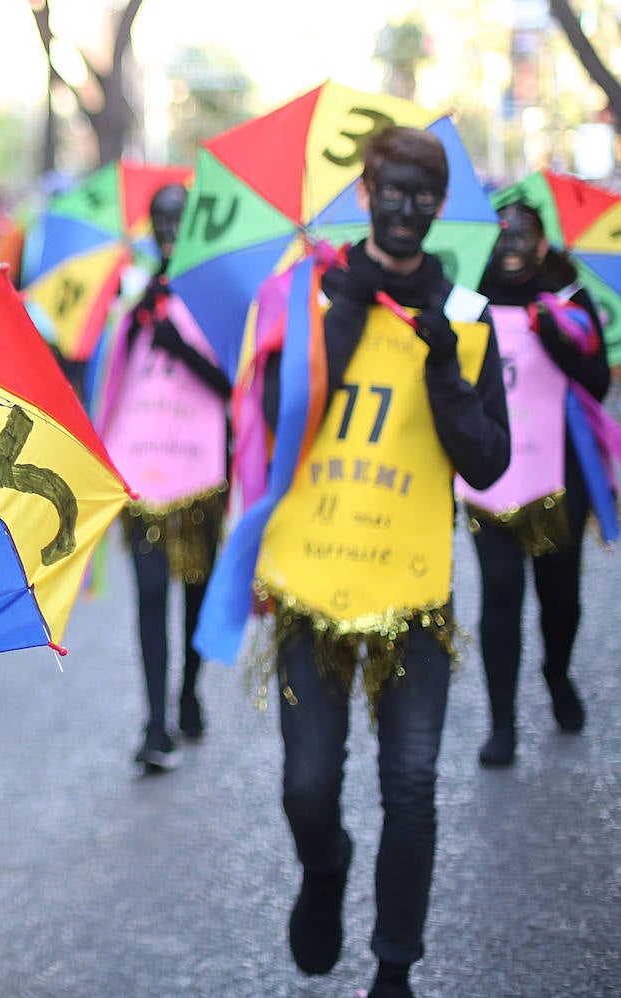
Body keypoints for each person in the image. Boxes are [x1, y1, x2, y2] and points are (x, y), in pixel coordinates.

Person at [198, 127, 509, 998]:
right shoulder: (304, 300)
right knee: (307, 785)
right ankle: (324, 867)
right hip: (310, 582)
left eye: (424, 195)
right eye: (392, 191)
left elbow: (489, 463)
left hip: (413, 590)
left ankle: (395, 964)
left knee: (411, 786)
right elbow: (266, 414)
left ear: (439, 206)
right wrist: (344, 307)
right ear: (365, 194)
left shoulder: (469, 317)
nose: (406, 210)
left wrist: (445, 367)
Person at [466, 200, 610, 766]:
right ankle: (502, 723)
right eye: (501, 237)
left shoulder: (570, 300)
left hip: (559, 474)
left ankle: (557, 673)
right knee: (500, 593)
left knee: (560, 597)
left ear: (543, 243)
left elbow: (597, 384)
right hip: (491, 473)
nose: (510, 247)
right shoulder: (468, 298)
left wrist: (553, 335)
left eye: (521, 237)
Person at [95, 182, 229, 771]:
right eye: (160, 221)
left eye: (179, 219)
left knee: (195, 593)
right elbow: (109, 376)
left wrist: (179, 338)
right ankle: (155, 723)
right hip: (140, 469)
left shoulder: (221, 295)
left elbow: (237, 388)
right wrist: (139, 314)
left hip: (200, 474)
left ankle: (188, 692)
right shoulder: (133, 292)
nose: (169, 230)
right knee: (151, 593)